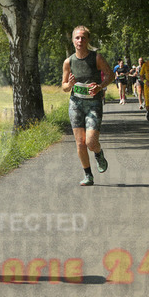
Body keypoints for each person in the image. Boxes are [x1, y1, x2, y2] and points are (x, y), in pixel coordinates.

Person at [62, 26, 113, 186]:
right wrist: (69, 84)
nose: (80, 40)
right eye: (77, 38)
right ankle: (88, 175)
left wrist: (100, 86)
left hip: (93, 104)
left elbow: (111, 75)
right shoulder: (68, 62)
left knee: (90, 141)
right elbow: (64, 86)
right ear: (72, 40)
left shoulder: (96, 58)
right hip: (75, 104)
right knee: (80, 143)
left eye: (83, 37)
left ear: (88, 40)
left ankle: (98, 153)